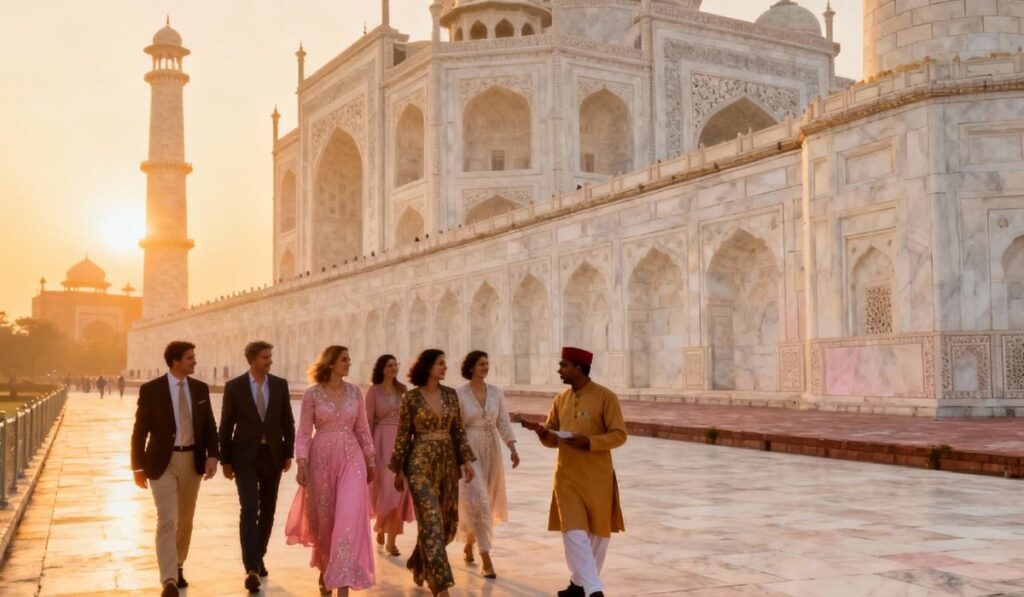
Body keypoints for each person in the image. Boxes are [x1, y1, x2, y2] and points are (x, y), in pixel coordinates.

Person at [520, 347, 627, 597]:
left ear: (578, 368)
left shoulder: (605, 397)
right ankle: (594, 589)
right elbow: (553, 438)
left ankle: (578, 585)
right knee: (573, 532)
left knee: (599, 535)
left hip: (597, 476)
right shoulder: (561, 399)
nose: (559, 370)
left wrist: (590, 442)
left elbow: (619, 434)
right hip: (567, 476)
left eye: (564, 365)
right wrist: (542, 432)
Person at [130, 341, 220, 597]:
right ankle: (168, 578)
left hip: (192, 460)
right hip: (162, 462)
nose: (194, 361)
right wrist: (137, 467)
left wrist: (213, 455)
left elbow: (209, 426)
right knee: (167, 519)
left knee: (185, 520)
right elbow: (140, 431)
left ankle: (178, 563)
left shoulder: (199, 389)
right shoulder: (152, 390)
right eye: (190, 358)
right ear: (175, 362)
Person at [285, 346, 375, 596]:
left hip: (352, 461)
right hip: (321, 461)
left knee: (347, 520)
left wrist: (371, 461)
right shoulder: (312, 394)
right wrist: (301, 463)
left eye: (349, 359)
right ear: (331, 363)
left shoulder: (356, 391)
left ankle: (343, 584)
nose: (349, 363)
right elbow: (303, 433)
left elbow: (363, 430)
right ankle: (326, 571)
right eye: (344, 360)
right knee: (325, 522)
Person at [390, 349, 476, 597]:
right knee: (431, 522)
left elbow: (458, 430)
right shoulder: (411, 399)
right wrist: (398, 469)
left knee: (447, 525)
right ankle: (441, 585)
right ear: (428, 367)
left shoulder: (451, 395)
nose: (445, 367)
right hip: (420, 465)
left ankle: (419, 560)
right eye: (440, 364)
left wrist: (466, 461)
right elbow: (404, 435)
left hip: (447, 464)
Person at [219, 341, 296, 593]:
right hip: (245, 457)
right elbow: (226, 425)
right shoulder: (235, 387)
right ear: (252, 359)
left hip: (271, 455)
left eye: (270, 356)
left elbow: (288, 422)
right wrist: (226, 460)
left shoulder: (279, 385)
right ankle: (251, 566)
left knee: (268, 509)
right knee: (250, 507)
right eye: (265, 357)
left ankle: (258, 555)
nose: (269, 361)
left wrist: (288, 454)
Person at [455, 350, 519, 579]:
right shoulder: (460, 394)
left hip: (493, 449)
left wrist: (512, 447)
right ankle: (486, 557)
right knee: (477, 498)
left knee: (487, 501)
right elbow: (457, 428)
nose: (485, 367)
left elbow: (503, 420)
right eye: (481, 364)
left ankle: (470, 542)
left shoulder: (496, 392)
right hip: (470, 450)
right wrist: (460, 456)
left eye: (487, 363)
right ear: (471, 367)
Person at [365, 354, 415, 557]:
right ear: (382, 368)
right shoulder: (373, 392)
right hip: (381, 442)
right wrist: (367, 450)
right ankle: (381, 523)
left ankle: (391, 538)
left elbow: (410, 420)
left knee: (398, 489)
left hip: (401, 442)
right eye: (389, 365)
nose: (394, 368)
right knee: (384, 488)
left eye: (396, 365)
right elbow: (367, 421)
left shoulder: (403, 391)